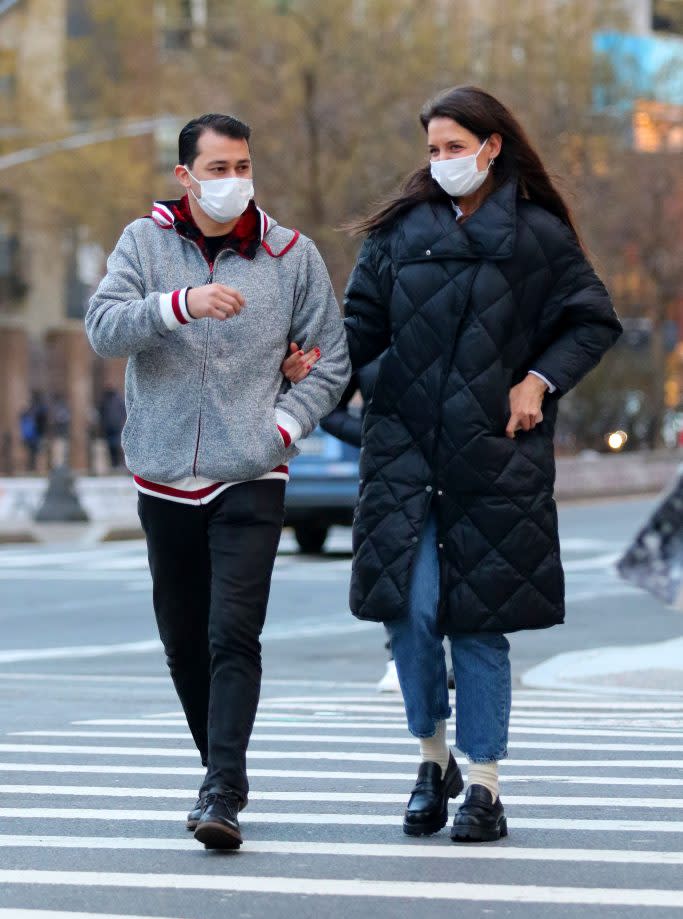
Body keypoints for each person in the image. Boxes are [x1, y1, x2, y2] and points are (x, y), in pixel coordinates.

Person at [294, 85, 621, 842]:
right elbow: (356, 333)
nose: (442, 161)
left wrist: (536, 382)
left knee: (478, 624)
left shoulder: (537, 235)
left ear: (491, 146)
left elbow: (590, 320)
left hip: (492, 458)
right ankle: (430, 758)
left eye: (454, 147)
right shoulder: (397, 233)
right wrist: (343, 386)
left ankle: (484, 785)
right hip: (403, 454)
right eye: (432, 149)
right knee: (407, 611)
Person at [86, 113, 350, 850]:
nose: (234, 180)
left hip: (250, 474)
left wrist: (285, 428)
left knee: (233, 630)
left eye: (242, 165)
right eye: (219, 167)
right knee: (183, 640)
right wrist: (179, 305)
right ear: (185, 176)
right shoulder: (143, 244)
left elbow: (330, 357)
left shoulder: (289, 255)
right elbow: (103, 328)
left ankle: (223, 787)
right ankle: (219, 770)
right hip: (164, 475)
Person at [321, 359, 401, 692]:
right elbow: (329, 409)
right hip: (389, 473)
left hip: (457, 466)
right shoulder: (368, 332)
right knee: (394, 560)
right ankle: (398, 657)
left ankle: (458, 659)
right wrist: (372, 434)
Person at [97, 387, 127, 470]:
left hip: (116, 427)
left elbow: (123, 412)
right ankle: (114, 464)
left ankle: (119, 464)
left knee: (117, 445)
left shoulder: (117, 400)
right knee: (111, 447)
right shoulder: (106, 400)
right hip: (110, 428)